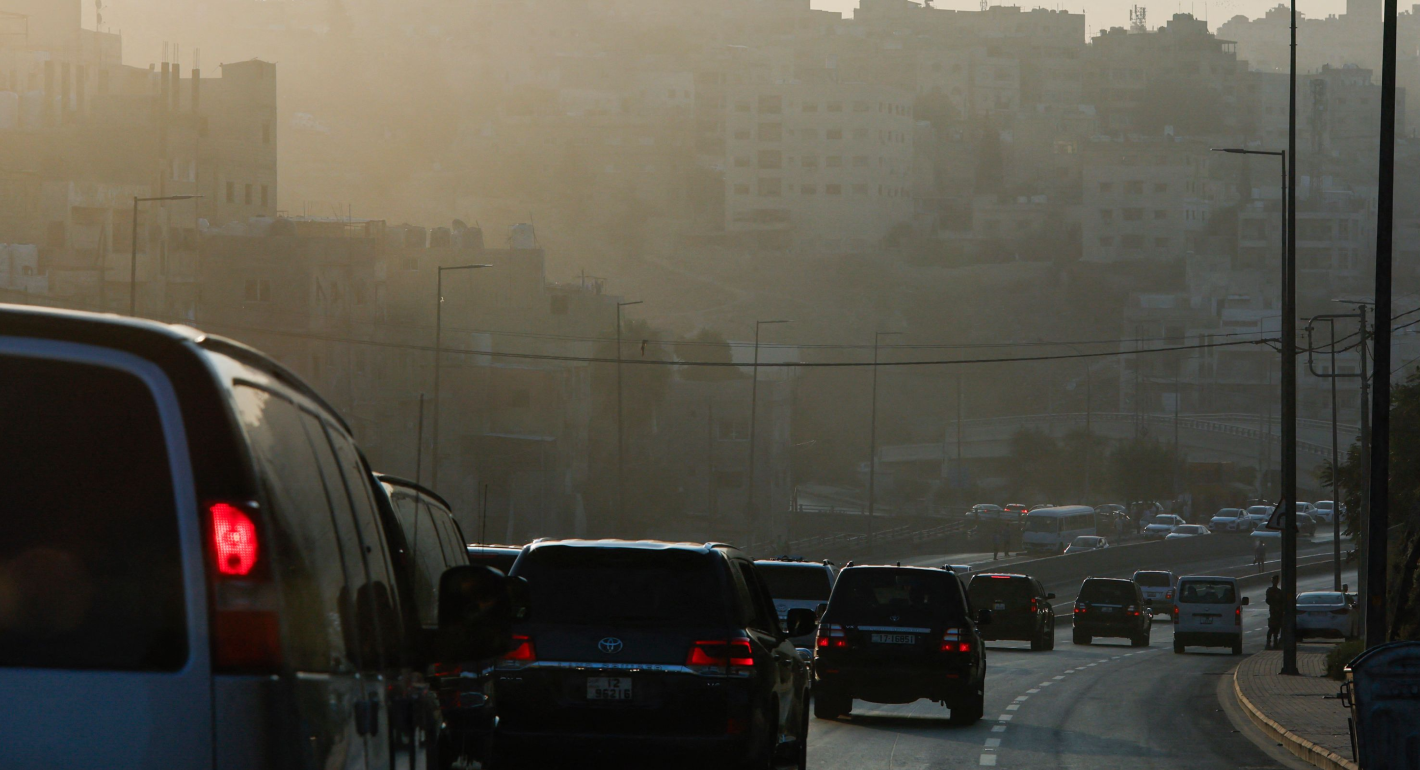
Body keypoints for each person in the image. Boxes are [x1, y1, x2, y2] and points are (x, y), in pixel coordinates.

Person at [1265, 575, 1284, 650]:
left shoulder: (1279, 591)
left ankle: (1275, 643)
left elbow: (1282, 601)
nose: (1276, 582)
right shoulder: (1270, 590)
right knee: (1272, 627)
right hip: (1273, 611)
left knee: (1277, 628)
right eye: (1274, 580)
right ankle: (1268, 643)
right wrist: (1274, 605)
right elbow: (1268, 600)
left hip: (1278, 611)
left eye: (1277, 580)